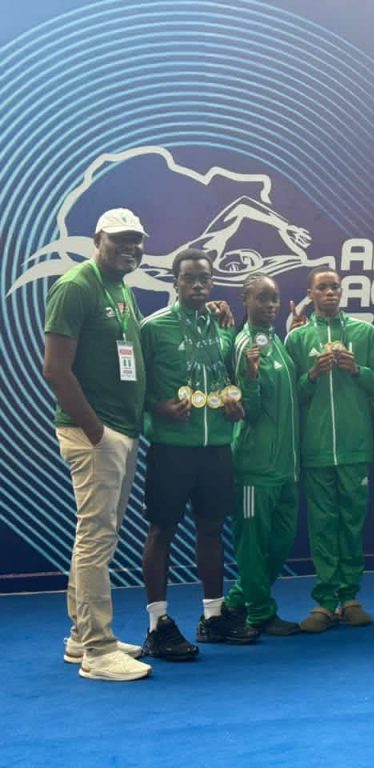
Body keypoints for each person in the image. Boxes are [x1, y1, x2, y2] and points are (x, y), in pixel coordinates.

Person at [43, 208, 152, 681]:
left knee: (98, 536)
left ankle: (79, 637)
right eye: (120, 239)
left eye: (136, 240)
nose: (130, 247)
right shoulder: (76, 286)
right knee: (95, 538)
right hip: (97, 433)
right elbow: (55, 369)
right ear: (97, 239)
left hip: (120, 431)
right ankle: (98, 651)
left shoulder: (121, 288)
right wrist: (96, 431)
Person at [138, 248, 259, 661]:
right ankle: (158, 625)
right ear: (175, 282)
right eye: (188, 278)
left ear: (212, 282)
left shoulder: (223, 328)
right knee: (162, 531)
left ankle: (213, 617)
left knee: (211, 529)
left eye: (204, 279)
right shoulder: (153, 327)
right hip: (172, 448)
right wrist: (158, 408)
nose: (196, 285)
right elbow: (134, 388)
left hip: (217, 448)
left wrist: (236, 406)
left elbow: (232, 383)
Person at [284, 267, 374, 631]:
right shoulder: (297, 339)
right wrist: (312, 375)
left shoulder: (363, 333)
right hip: (315, 448)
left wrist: (357, 370)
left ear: (342, 292)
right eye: (322, 288)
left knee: (352, 524)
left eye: (335, 287)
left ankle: (350, 597)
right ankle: (326, 601)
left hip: (354, 447)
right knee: (323, 526)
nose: (329, 293)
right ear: (310, 294)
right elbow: (289, 395)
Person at [223, 273, 302, 635]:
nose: (270, 305)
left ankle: (236, 602)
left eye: (274, 299)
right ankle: (259, 612)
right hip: (255, 467)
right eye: (262, 298)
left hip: (285, 467)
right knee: (253, 547)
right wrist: (251, 377)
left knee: (280, 543)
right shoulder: (243, 345)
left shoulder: (275, 340)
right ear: (246, 300)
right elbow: (248, 412)